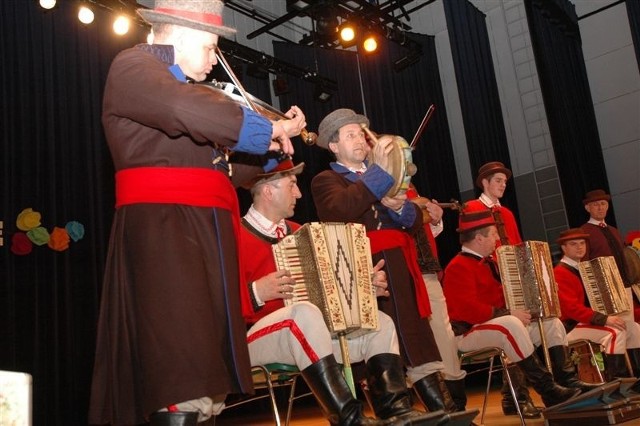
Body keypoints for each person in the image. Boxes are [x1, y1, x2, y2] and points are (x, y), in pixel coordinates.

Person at [88, 1, 307, 425]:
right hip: (166, 226)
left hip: (202, 231)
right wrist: (265, 128)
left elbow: (219, 171)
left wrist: (268, 152)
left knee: (203, 362)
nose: (213, 60)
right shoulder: (134, 66)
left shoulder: (191, 97)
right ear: (181, 33)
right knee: (179, 353)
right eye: (210, 47)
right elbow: (178, 107)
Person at [239, 158, 442, 426]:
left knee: (381, 322)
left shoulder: (300, 232)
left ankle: (395, 412)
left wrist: (363, 287)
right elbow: (214, 303)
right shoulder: (234, 235)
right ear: (268, 191)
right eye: (292, 186)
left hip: (307, 335)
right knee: (304, 314)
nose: (299, 194)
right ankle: (349, 419)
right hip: (252, 341)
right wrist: (255, 292)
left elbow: (329, 292)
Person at [309, 109, 465, 416]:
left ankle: (445, 413)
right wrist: (379, 175)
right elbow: (342, 209)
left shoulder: (383, 175)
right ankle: (395, 414)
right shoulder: (326, 180)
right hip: (365, 272)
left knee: (417, 339)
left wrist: (397, 208)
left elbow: (413, 220)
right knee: (380, 342)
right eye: (351, 135)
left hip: (400, 265)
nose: (361, 140)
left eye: (362, 134)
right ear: (334, 146)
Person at [441, 209, 585, 408]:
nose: (497, 238)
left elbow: (510, 298)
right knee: (510, 323)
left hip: (496, 327)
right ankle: (547, 389)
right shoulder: (458, 266)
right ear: (479, 238)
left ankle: (568, 381)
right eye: (493, 234)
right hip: (467, 333)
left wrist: (545, 291)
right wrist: (509, 314)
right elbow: (466, 310)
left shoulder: (492, 262)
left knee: (552, 323)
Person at [463, 161, 541, 417]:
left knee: (527, 328)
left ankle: (512, 394)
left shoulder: (506, 213)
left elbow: (516, 243)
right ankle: (518, 396)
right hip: (491, 279)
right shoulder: (472, 208)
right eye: (497, 180)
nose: (502, 185)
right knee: (514, 329)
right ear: (484, 183)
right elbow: (474, 244)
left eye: (505, 182)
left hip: (514, 280)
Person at [405, 186, 468, 411]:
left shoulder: (410, 187)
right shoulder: (371, 181)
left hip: (425, 270)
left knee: (443, 331)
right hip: (399, 269)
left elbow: (424, 236)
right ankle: (411, 407)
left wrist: (434, 220)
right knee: (408, 338)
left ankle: (455, 405)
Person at [554, 228, 640, 381]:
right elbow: (572, 309)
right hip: (570, 325)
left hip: (587, 321)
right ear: (563, 248)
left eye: (582, 243)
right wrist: (605, 319)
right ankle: (618, 381)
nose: (579, 247)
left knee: (634, 327)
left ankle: (636, 376)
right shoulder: (560, 272)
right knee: (615, 332)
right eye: (573, 244)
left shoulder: (584, 269)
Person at [580, 189, 639, 374]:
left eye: (604, 204)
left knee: (629, 329)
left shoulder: (613, 230)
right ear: (587, 207)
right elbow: (584, 263)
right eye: (596, 204)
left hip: (624, 286)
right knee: (613, 331)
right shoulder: (584, 232)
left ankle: (635, 374)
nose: (600, 207)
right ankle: (618, 376)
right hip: (603, 290)